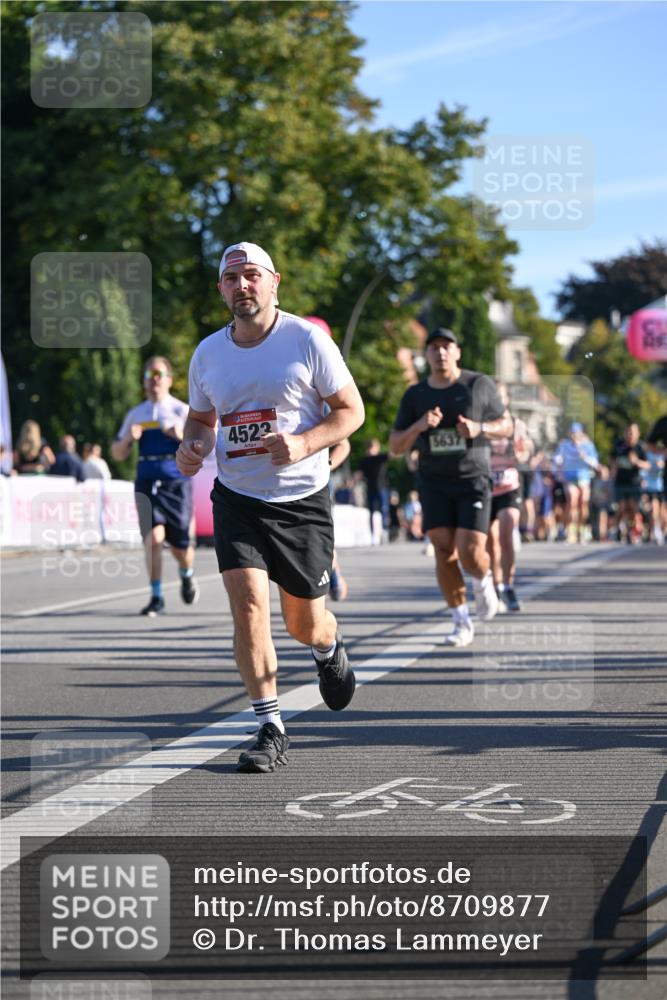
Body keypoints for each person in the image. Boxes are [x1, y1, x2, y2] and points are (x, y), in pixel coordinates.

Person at [176, 241, 365, 773]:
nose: (242, 285)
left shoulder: (307, 340)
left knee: (303, 622)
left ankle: (327, 646)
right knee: (249, 608)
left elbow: (352, 411)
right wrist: (191, 446)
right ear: (221, 289)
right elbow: (201, 420)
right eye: (232, 277)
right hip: (238, 498)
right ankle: (269, 725)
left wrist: (305, 444)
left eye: (252, 274)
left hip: (301, 501)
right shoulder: (208, 353)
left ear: (274, 281)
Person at [389, 328, 511, 647]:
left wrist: (479, 428)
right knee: (443, 551)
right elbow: (395, 446)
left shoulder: (477, 385)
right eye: (433, 348)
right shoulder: (415, 395)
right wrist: (419, 426)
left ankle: (484, 581)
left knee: (470, 553)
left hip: (472, 480)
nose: (440, 353)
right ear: (426, 355)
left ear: (457, 352)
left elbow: (507, 425)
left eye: (446, 347)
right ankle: (460, 622)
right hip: (434, 482)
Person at [111, 356, 200, 616]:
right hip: (146, 480)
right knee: (153, 540)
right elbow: (117, 453)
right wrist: (128, 438)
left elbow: (200, 447)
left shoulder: (182, 410)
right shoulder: (135, 413)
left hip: (176, 482)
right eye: (149, 376)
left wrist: (181, 434)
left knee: (180, 546)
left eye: (159, 374)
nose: (154, 380)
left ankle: (186, 573)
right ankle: (156, 595)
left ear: (169, 380)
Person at [487, 383, 532, 611]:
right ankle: (495, 587)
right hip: (485, 488)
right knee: (491, 543)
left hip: (509, 487)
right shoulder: (481, 426)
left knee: (506, 535)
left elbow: (527, 452)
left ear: (506, 400)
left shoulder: (515, 425)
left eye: (499, 396)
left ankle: (508, 585)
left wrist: (519, 454)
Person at [552, 423, 600, 543]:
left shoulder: (588, 446)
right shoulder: (565, 446)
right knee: (572, 501)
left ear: (581, 433)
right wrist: (558, 463)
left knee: (583, 502)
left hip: (584, 477)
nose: (574, 436)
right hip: (569, 478)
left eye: (576, 433)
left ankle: (582, 528)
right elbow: (556, 459)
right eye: (572, 433)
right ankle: (570, 530)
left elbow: (595, 463)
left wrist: (584, 457)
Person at [611, 422, 650, 544]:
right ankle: (617, 530)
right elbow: (612, 459)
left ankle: (630, 531)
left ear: (638, 434)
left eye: (633, 432)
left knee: (634, 508)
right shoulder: (619, 445)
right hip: (620, 482)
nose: (630, 435)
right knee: (622, 507)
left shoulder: (641, 447)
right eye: (628, 432)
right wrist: (613, 469)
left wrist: (636, 461)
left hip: (634, 482)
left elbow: (648, 465)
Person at [358, 438, 390, 544]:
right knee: (371, 512)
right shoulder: (364, 460)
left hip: (382, 488)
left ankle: (385, 531)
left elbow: (393, 454)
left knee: (384, 510)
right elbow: (360, 474)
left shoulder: (380, 458)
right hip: (370, 488)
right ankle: (373, 535)